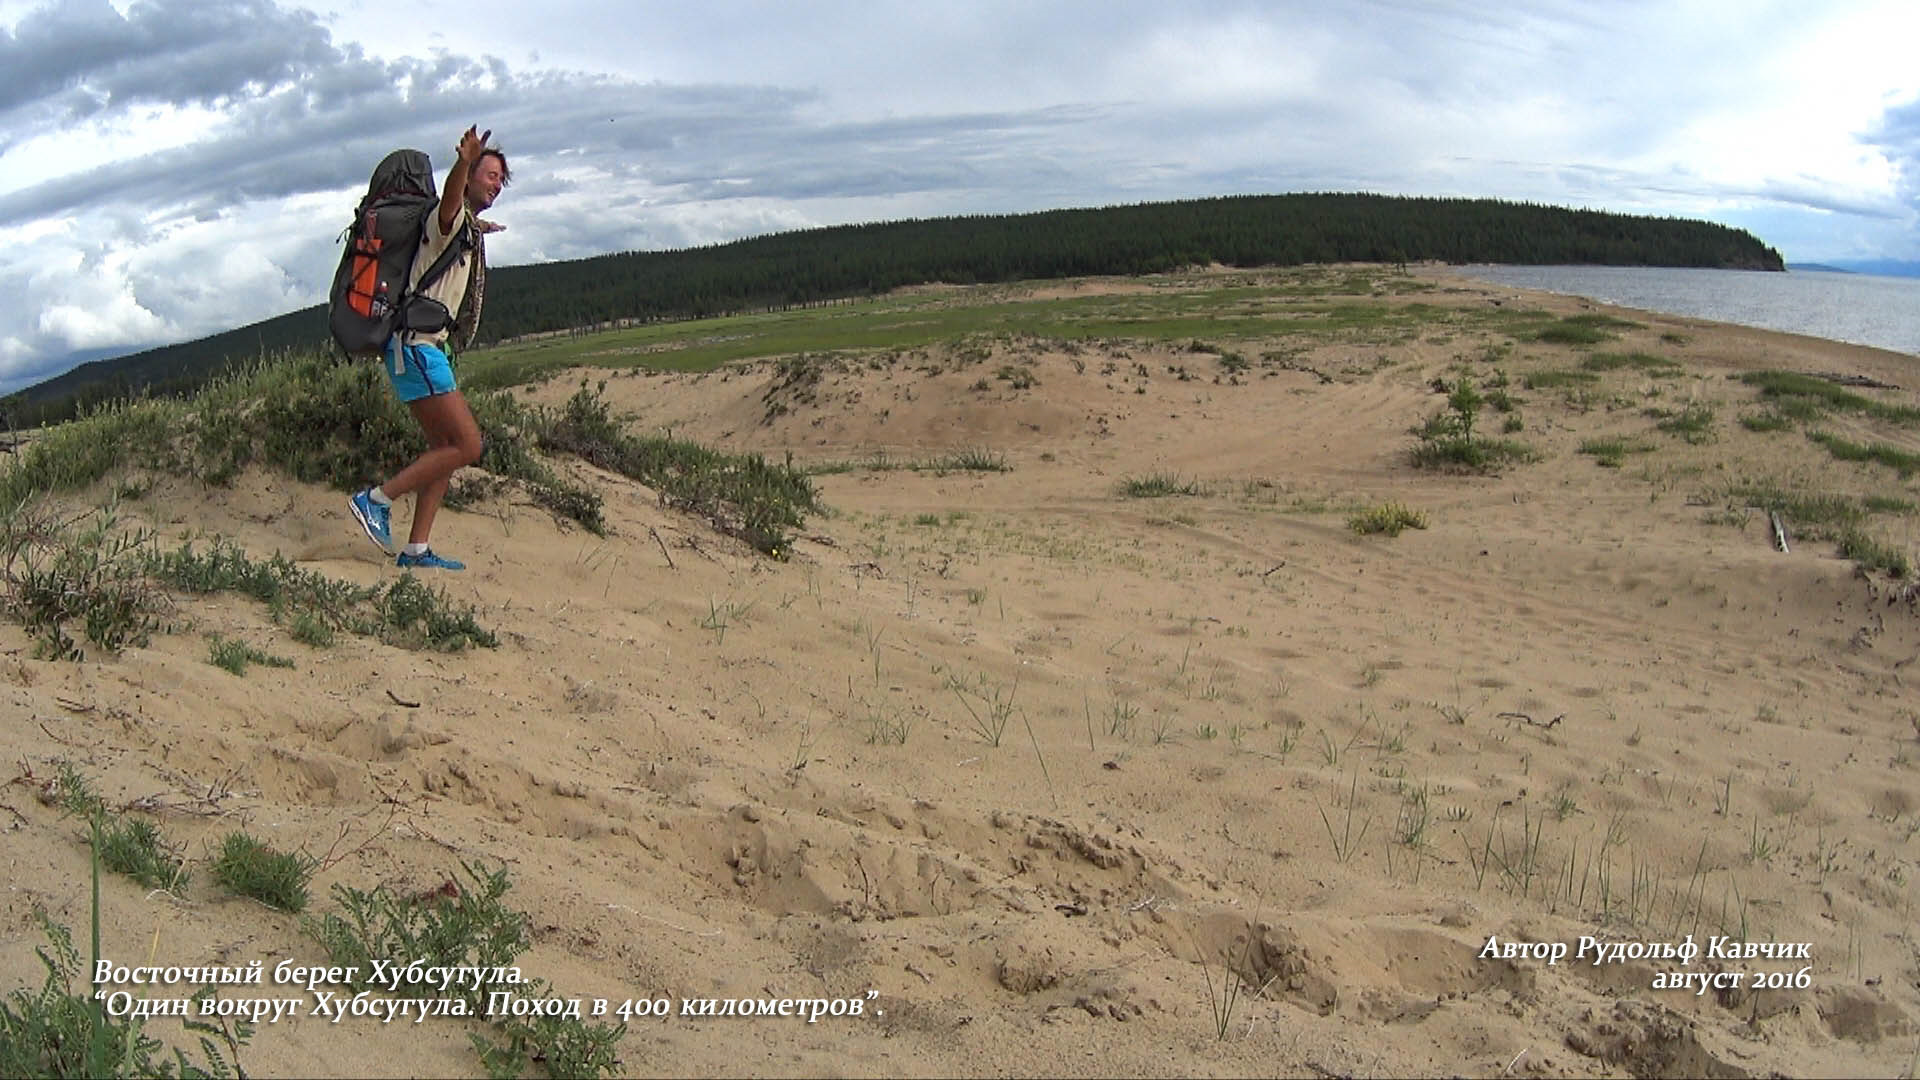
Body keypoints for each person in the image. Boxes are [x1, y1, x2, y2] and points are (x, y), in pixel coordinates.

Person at [349, 125, 508, 571]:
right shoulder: (447, 217)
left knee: (445, 447)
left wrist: (481, 225)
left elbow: (463, 222)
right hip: (416, 346)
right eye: (490, 174)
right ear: (470, 175)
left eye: (501, 179)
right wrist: (462, 162)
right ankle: (375, 500)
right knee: (468, 445)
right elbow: (451, 205)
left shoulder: (465, 228)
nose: (496, 184)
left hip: (427, 347)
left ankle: (417, 549)